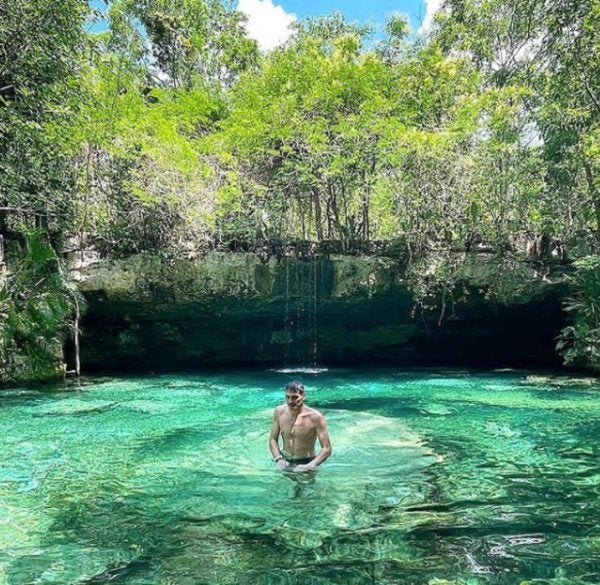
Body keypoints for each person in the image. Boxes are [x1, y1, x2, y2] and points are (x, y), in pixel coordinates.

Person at [269, 380, 332, 472]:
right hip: (284, 461)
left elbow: (327, 449)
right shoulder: (279, 412)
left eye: (294, 397)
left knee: (308, 487)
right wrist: (278, 458)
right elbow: (273, 439)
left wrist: (310, 465)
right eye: (287, 397)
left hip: (307, 462)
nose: (290, 401)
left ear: (303, 396)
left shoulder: (316, 417)